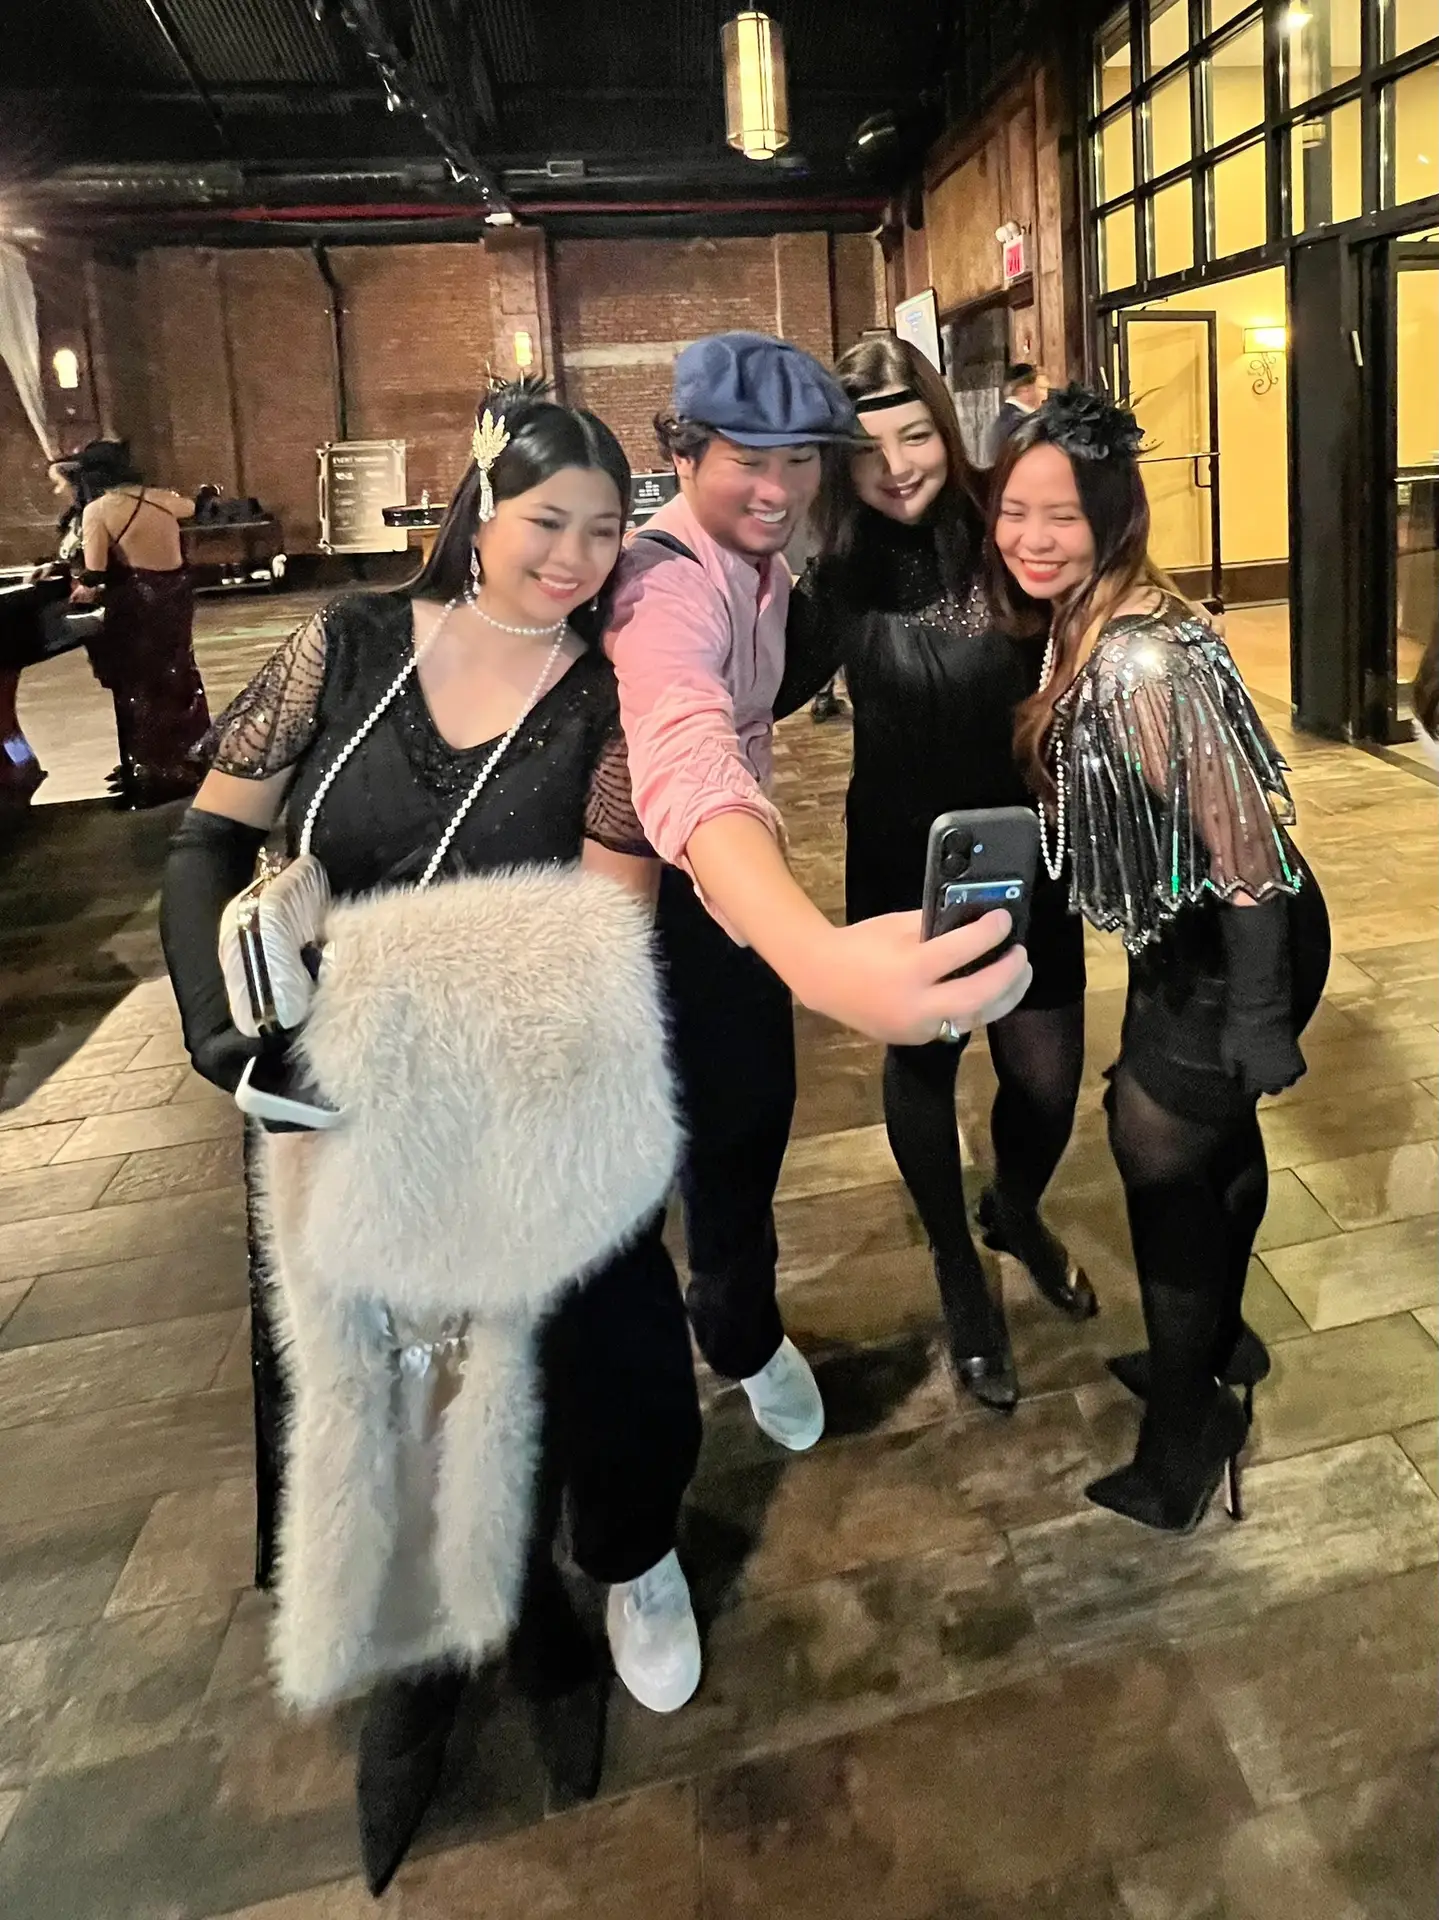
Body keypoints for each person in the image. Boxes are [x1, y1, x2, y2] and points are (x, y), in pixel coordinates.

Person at [160, 382, 705, 1894]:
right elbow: (209, 837)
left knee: (548, 1368)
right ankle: (413, 1679)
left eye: (602, 532)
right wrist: (221, 1029)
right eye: (546, 522)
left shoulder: (606, 704)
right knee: (368, 1388)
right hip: (328, 1103)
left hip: (511, 1100)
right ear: (480, 504)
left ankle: (559, 1601)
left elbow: (602, 936)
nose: (574, 557)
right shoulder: (342, 645)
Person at [605, 332, 1034, 1458]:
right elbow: (686, 748)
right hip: (629, 901)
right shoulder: (665, 581)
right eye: (747, 458)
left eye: (798, 458)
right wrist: (811, 951)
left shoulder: (771, 573)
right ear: (684, 452)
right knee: (618, 1174)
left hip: (734, 891)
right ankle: (635, 1462)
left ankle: (740, 1333)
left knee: (746, 1126)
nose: (776, 486)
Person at [988, 385, 1331, 1533]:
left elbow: (1244, 857)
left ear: (1111, 518)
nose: (1031, 538)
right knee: (1208, 1143)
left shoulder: (1140, 661)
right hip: (1181, 925)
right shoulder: (1088, 614)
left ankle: (1184, 1436)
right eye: (1013, 511)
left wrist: (1256, 1017)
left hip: (1234, 936)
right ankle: (1216, 1343)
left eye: (1061, 516)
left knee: (1156, 1158)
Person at [778, 334, 1095, 1413]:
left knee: (1045, 1078)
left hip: (1026, 845)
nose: (897, 466)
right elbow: (765, 688)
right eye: (866, 451)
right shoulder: (837, 572)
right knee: (923, 1062)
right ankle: (958, 1269)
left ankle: (1014, 1207)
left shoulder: (1001, 531)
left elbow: (1088, 586)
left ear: (943, 427)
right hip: (901, 855)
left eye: (913, 435)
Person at [60, 439, 210, 807]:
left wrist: (81, 588)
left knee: (141, 685)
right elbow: (196, 507)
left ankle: (150, 772)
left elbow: (96, 571)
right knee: (178, 675)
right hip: (176, 598)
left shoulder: (98, 511)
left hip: (137, 604)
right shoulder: (162, 499)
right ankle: (190, 761)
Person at [986, 363, 1049, 465]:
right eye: (1042, 388)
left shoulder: (1005, 419)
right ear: (1024, 390)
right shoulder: (1020, 423)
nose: (1046, 395)